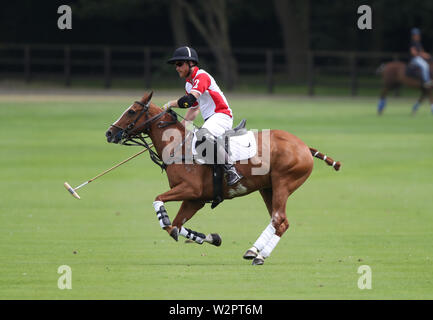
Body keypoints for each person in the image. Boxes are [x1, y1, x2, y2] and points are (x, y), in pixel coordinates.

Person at [163, 46, 243, 186]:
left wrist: (169, 104)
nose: (177, 68)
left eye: (180, 64)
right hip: (211, 119)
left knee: (203, 135)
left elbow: (188, 101)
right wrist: (181, 130)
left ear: (191, 63)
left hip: (222, 115)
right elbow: (193, 110)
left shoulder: (202, 76)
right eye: (175, 65)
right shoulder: (189, 85)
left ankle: (231, 170)